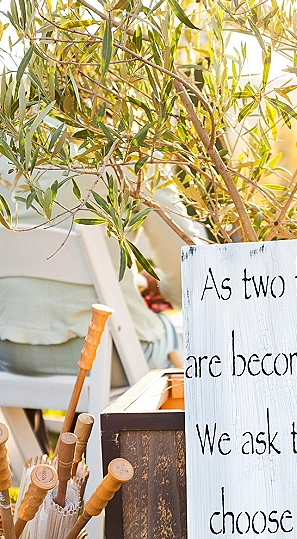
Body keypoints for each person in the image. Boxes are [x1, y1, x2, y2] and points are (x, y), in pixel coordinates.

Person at [0, 162, 206, 396]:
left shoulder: (8, 145)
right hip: (107, 354)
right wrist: (166, 290)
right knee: (176, 341)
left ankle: (63, 432)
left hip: (11, 353)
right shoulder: (128, 147)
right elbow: (189, 265)